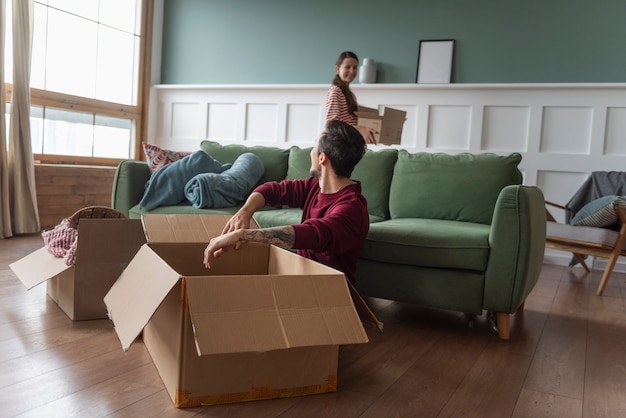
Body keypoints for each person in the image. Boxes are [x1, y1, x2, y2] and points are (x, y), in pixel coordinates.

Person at [203, 119, 369, 285]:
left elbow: (314, 234)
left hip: (331, 291)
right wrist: (244, 213)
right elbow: (271, 190)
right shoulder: (315, 186)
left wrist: (242, 235)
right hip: (301, 282)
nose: (311, 152)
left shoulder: (352, 208)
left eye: (314, 147)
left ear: (322, 158)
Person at [325, 51, 377, 145]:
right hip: (341, 147)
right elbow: (332, 124)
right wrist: (360, 129)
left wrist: (379, 134)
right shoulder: (336, 91)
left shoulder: (349, 94)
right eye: (347, 67)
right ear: (338, 68)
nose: (352, 71)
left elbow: (350, 122)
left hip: (350, 145)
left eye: (355, 68)